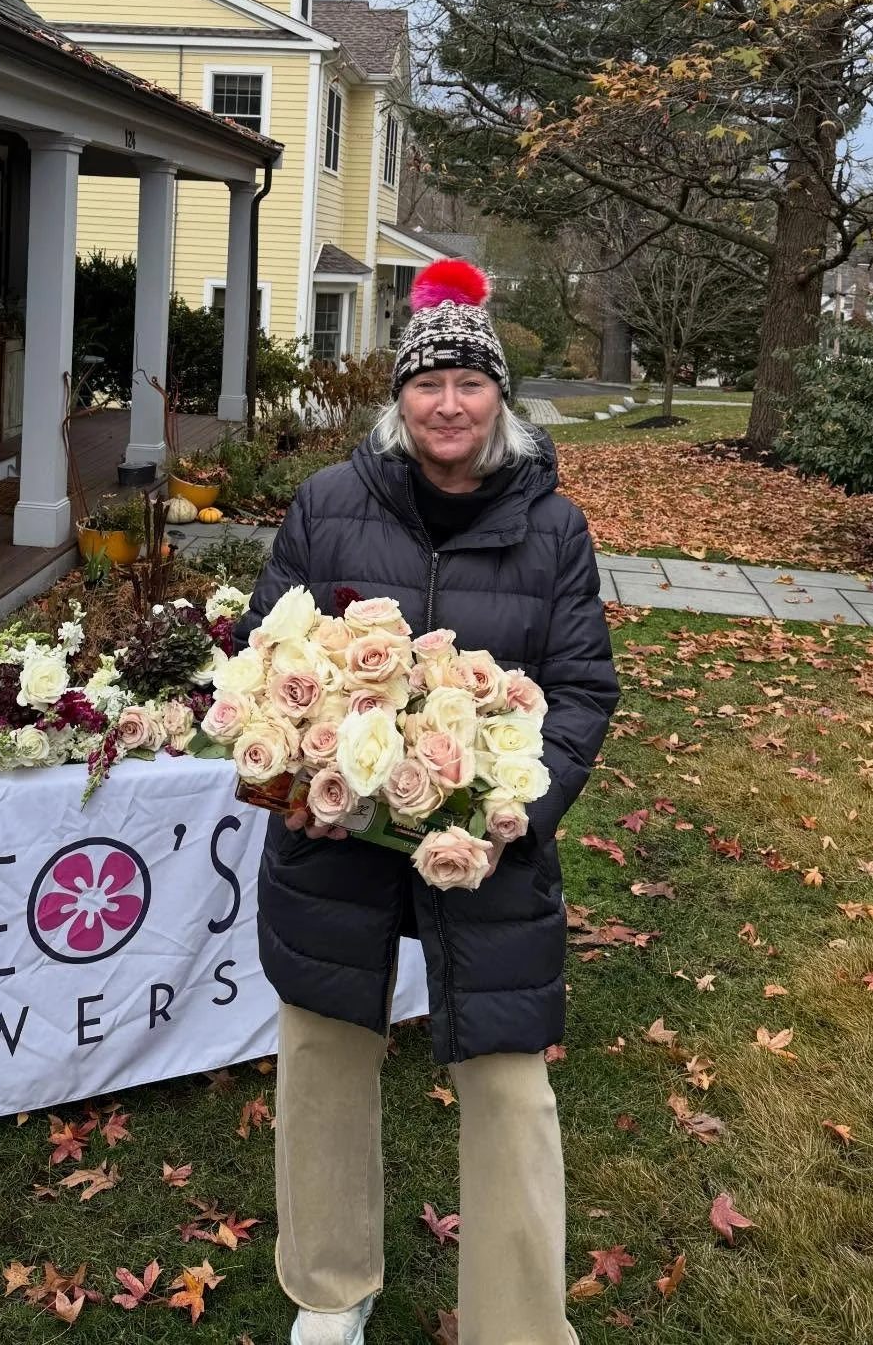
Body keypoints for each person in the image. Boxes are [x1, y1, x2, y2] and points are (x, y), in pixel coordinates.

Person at [238, 260, 619, 1345]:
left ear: (501, 396)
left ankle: (518, 1321)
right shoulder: (328, 504)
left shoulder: (554, 527)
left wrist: (519, 810)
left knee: (507, 1086)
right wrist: (294, 781)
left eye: (469, 382)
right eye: (427, 382)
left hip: (486, 848)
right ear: (397, 398)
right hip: (339, 843)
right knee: (321, 1058)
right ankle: (330, 1286)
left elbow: (585, 685)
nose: (447, 403)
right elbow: (265, 655)